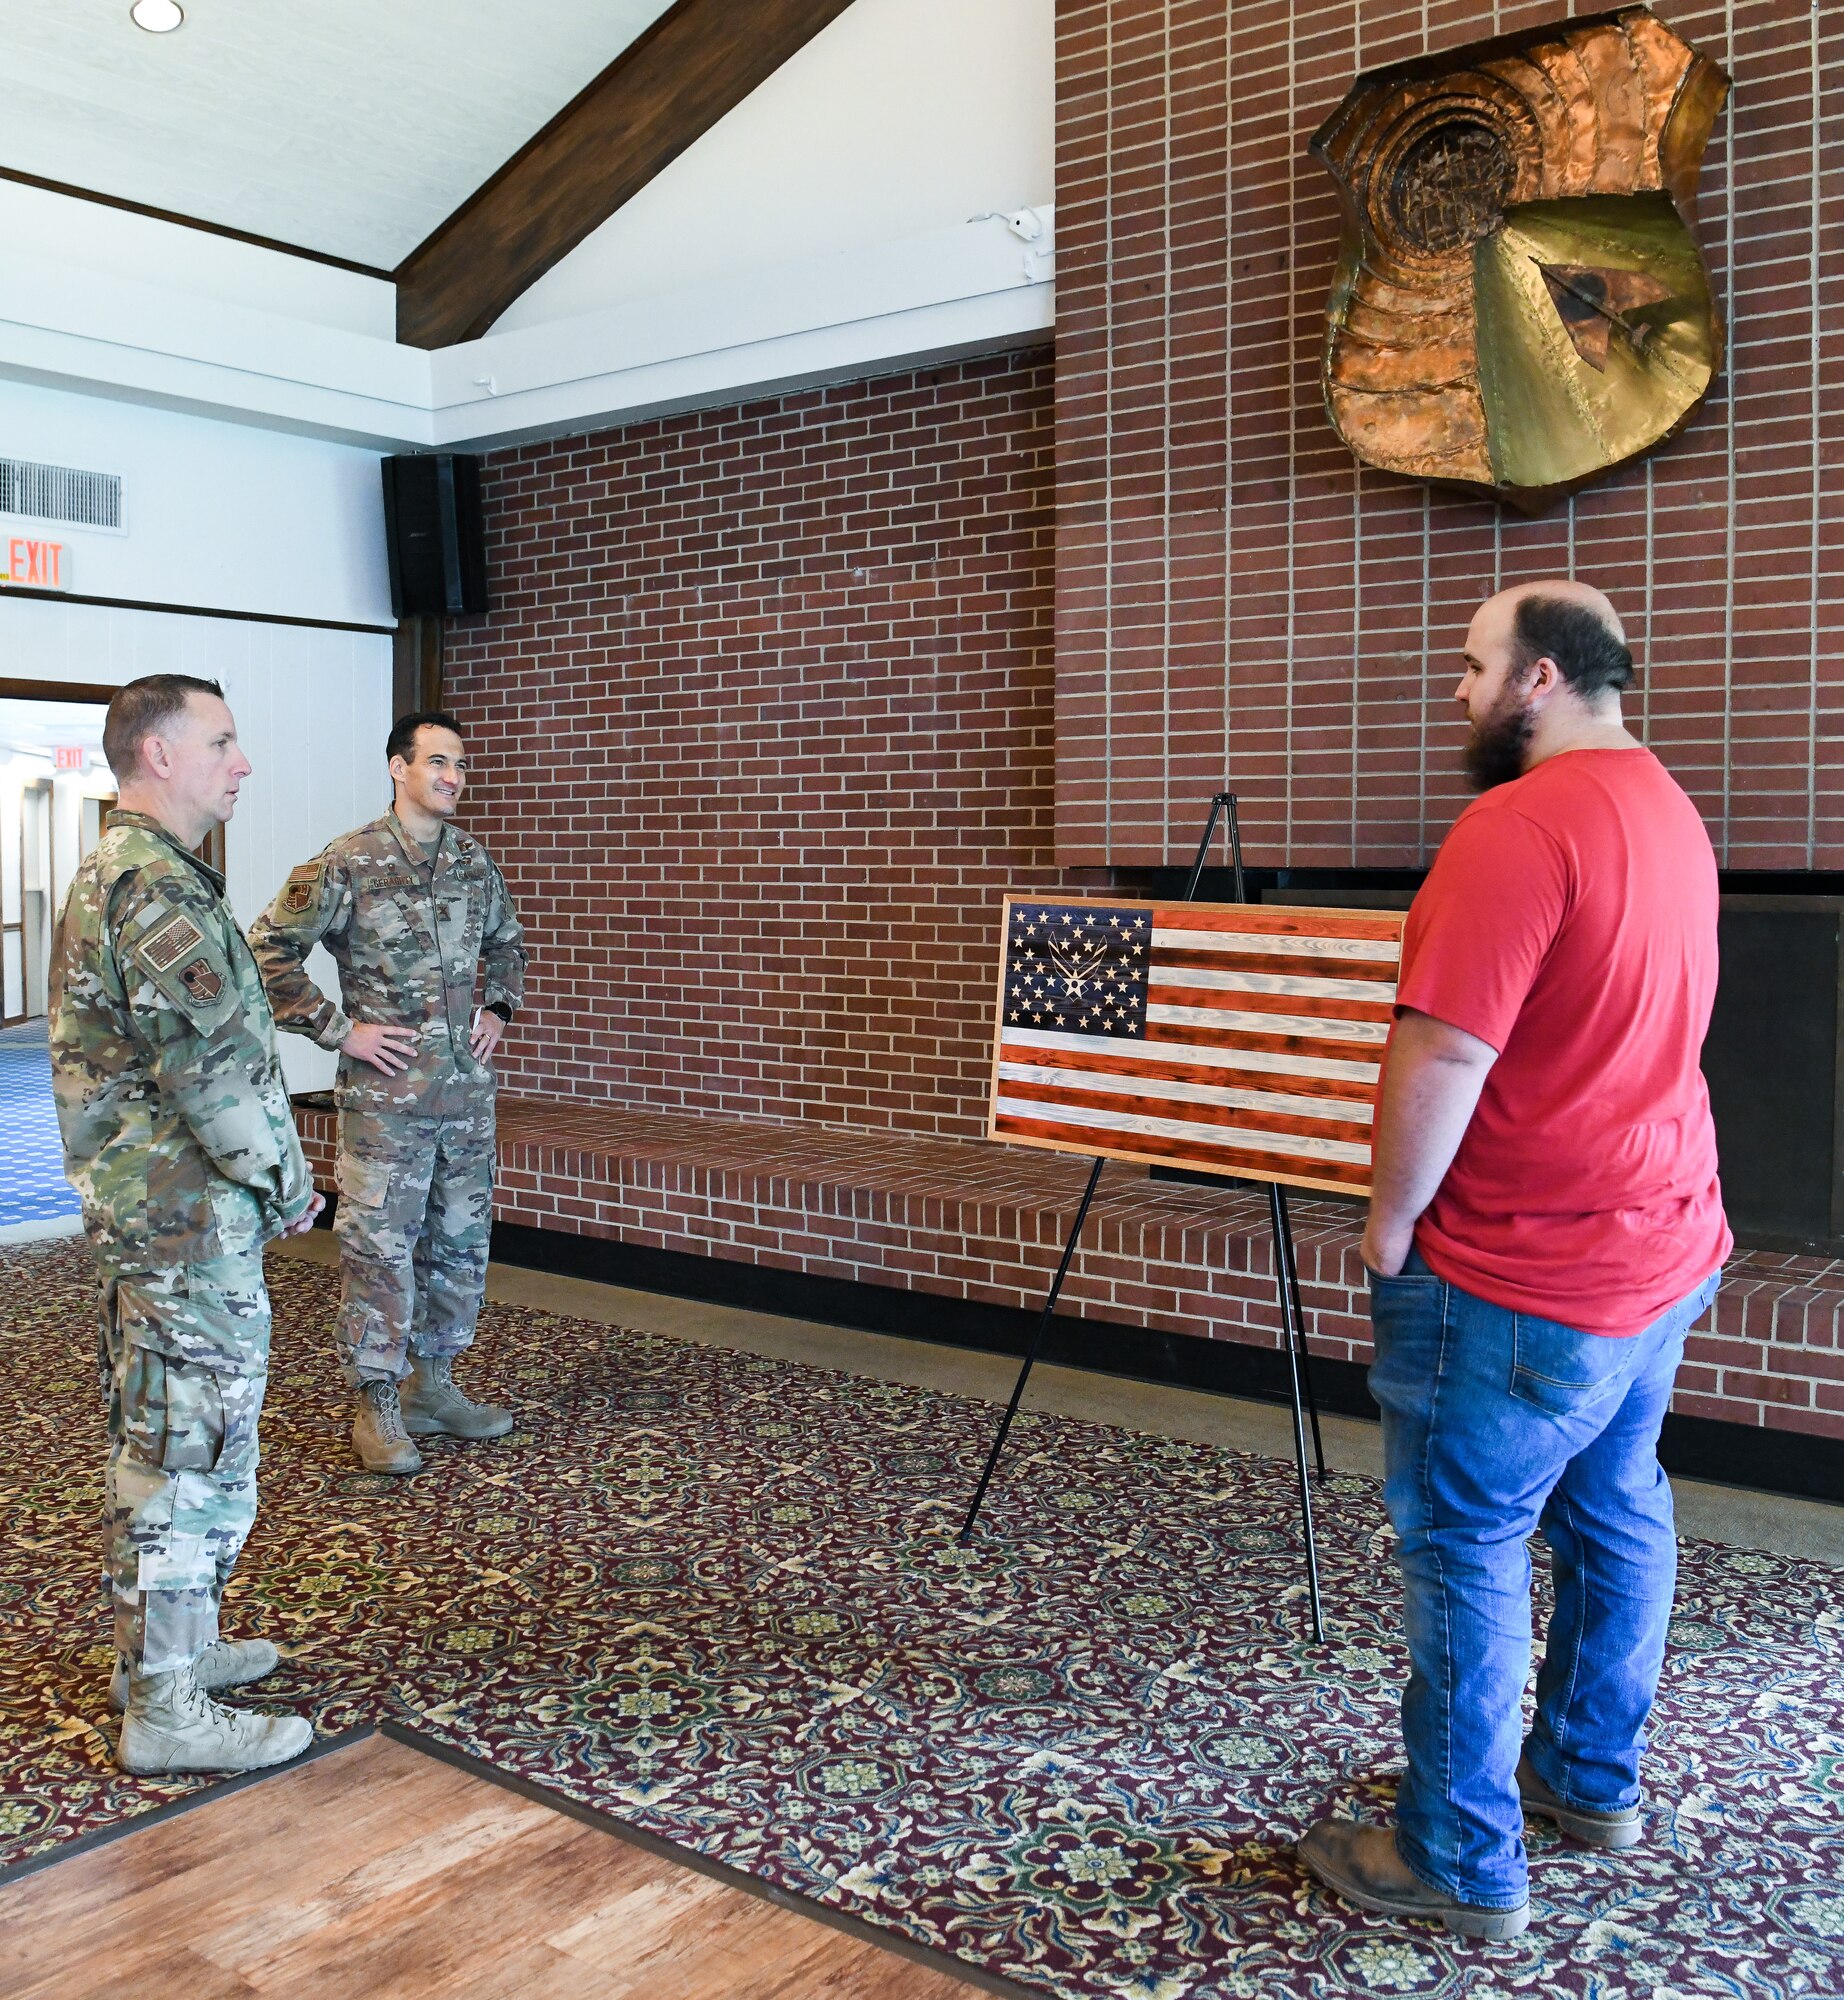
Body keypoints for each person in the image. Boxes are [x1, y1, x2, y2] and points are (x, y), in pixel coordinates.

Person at [1298, 581, 1731, 1940]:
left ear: (1539, 678)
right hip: (1662, 1249)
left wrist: (1385, 1226)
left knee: (1464, 1548)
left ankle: (1458, 1860)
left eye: (1474, 665)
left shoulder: (1515, 827)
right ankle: (1588, 1781)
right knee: (1614, 1506)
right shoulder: (1668, 805)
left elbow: (1444, 1051)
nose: (1459, 689)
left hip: (1522, 1275)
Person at [50, 674, 323, 1775]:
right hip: (182, 1222)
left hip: (157, 1218)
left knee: (164, 1436)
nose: (241, 760)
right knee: (189, 1458)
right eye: (221, 739)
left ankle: (165, 1653)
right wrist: (287, 1182)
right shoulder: (153, 886)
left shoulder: (139, 872)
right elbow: (213, 1073)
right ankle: (164, 1706)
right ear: (157, 755)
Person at [247, 711, 526, 1475]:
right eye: (438, 762)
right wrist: (341, 1031)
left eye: (462, 766)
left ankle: (434, 1384)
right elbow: (265, 951)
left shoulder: (473, 861)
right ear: (398, 767)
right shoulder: (350, 861)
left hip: (466, 1099)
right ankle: (376, 1400)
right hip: (386, 1103)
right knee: (379, 1249)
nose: (454, 778)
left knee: (460, 1245)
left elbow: (508, 945)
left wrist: (498, 1008)